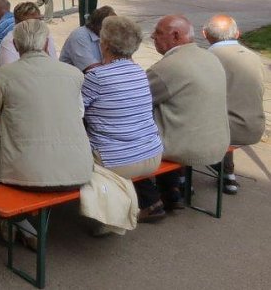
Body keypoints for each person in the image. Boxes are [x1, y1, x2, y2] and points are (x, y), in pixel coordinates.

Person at [0, 19, 92, 246]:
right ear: (46, 43)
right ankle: (21, 224)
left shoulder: (6, 74)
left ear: (17, 46)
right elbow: (79, 112)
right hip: (77, 167)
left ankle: (18, 223)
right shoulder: (73, 74)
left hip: (23, 170)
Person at [134, 15, 230, 216]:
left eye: (158, 33)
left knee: (122, 139)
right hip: (218, 142)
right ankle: (172, 191)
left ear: (176, 35)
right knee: (163, 122)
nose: (152, 36)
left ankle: (149, 200)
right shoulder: (210, 57)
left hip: (187, 147)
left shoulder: (168, 67)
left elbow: (132, 100)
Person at [82, 17, 164, 223]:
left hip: (117, 161)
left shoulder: (97, 76)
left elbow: (73, 111)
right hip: (152, 153)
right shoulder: (139, 72)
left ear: (105, 45)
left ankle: (106, 217)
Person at [203, 15, 267, 194]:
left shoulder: (208, 57)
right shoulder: (254, 58)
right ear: (238, 34)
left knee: (181, 116)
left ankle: (180, 181)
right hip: (255, 126)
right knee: (226, 112)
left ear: (205, 34)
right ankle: (228, 174)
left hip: (226, 129)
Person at [0, 2, 57, 68]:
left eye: (37, 21)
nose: (34, 26)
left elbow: (54, 62)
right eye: (28, 23)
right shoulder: (9, 41)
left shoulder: (45, 36)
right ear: (17, 24)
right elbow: (11, 72)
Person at [59, 6, 116, 73]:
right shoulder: (79, 36)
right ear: (99, 26)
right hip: (72, 79)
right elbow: (92, 69)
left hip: (92, 77)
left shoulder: (105, 35)